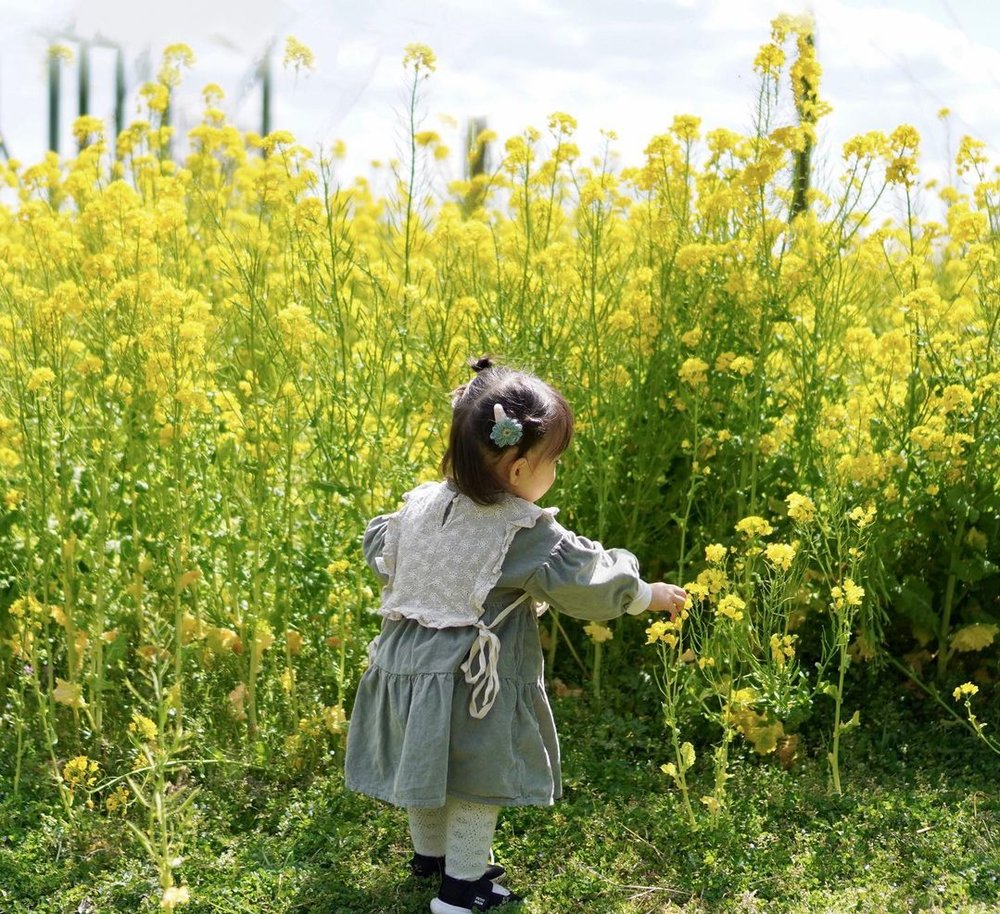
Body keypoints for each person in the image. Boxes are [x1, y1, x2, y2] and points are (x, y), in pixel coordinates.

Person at [345, 357, 687, 914]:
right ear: (521, 468)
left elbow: (379, 550)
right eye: (554, 461)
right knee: (476, 784)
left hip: (403, 668)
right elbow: (587, 582)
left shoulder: (421, 504)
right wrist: (646, 593)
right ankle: (461, 890)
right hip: (471, 683)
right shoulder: (519, 530)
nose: (555, 472)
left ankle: (430, 857)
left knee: (427, 765)